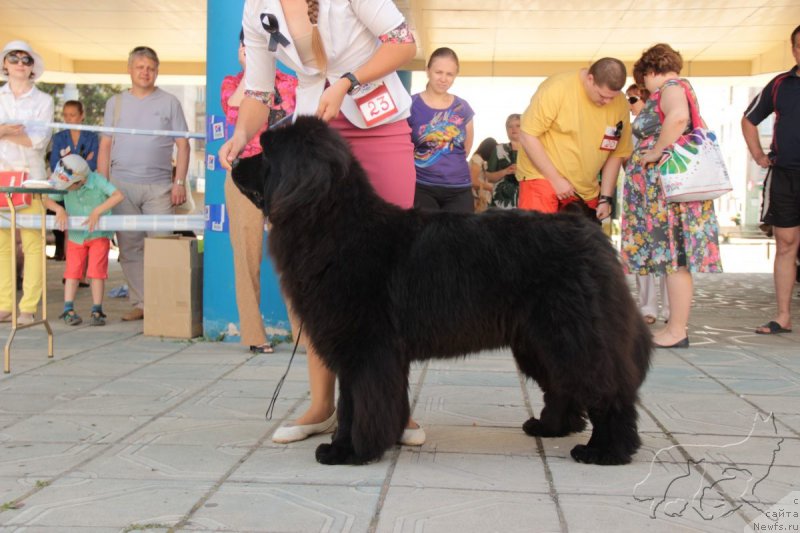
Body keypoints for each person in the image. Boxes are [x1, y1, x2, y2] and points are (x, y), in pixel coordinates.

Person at [220, 0, 423, 445]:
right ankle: (321, 405)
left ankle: (394, 406)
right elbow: (258, 92)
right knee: (316, 273)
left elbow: (404, 43)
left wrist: (349, 81)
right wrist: (241, 135)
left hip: (378, 121)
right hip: (314, 133)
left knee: (388, 275)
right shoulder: (256, 9)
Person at [622, 43, 722, 349]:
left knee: (677, 259)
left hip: (669, 195)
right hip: (668, 194)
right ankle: (676, 328)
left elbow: (678, 117)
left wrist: (655, 151)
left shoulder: (671, 87)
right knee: (674, 260)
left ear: (650, 72)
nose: (646, 90)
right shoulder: (677, 88)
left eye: (644, 82)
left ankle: (677, 329)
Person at [96, 46, 190, 322]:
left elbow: (183, 146)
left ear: (157, 71)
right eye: (140, 67)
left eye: (150, 68)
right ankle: (143, 303)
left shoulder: (170, 102)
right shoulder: (115, 103)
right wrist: (104, 188)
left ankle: (164, 303)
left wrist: (179, 182)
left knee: (162, 245)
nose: (145, 72)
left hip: (160, 187)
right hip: (121, 188)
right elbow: (105, 145)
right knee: (129, 248)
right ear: (130, 70)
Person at [223, 30, 298, 354]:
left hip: (283, 177)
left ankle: (305, 336)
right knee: (246, 256)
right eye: (246, 46)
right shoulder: (231, 83)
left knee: (295, 258)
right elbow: (235, 108)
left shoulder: (291, 84)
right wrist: (251, 73)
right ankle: (254, 334)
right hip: (244, 176)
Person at [516, 57, 632, 221]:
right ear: (590, 79)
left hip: (584, 190)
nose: (607, 102)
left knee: (583, 244)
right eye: (602, 95)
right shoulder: (557, 88)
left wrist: (605, 197)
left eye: (612, 97)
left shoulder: (620, 104)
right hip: (543, 178)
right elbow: (527, 135)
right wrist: (555, 179)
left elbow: (617, 153)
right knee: (539, 242)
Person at [742, 25, 800, 335]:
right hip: (785, 176)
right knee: (786, 244)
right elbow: (749, 120)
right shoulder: (780, 85)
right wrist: (758, 155)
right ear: (794, 50)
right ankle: (782, 316)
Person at [0, 40, 54, 325]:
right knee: (2, 245)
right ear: (5, 64)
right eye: (14, 58)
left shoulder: (44, 101)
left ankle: (28, 307)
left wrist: (3, 132)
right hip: (1, 180)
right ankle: (4, 304)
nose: (20, 63)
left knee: (34, 245)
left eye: (26, 59)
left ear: (33, 68)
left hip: (31, 179)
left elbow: (38, 140)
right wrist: (8, 130)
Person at [43, 155, 124, 326]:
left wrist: (98, 211)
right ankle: (68, 308)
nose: (66, 188)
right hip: (75, 236)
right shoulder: (65, 184)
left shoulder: (98, 181)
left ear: (81, 180)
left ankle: (97, 309)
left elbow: (117, 195)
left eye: (68, 185)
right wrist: (59, 209)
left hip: (98, 234)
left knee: (97, 272)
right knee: (72, 272)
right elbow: (46, 198)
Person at [624, 83, 670, 325]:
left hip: (662, 188)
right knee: (641, 245)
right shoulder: (631, 129)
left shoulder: (667, 124)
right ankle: (647, 307)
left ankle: (670, 308)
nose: (628, 105)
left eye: (632, 99)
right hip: (636, 188)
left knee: (665, 244)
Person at [408, 47, 474, 213]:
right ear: (427, 71)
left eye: (449, 74)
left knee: (460, 238)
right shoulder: (410, 104)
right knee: (425, 237)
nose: (443, 79)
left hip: (459, 188)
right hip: (422, 186)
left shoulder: (462, 107)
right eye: (439, 72)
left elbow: (466, 148)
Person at [49, 100, 99, 262]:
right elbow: (56, 164)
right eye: (66, 115)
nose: (69, 119)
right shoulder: (59, 137)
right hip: (66, 188)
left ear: (82, 115)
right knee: (68, 228)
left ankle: (83, 274)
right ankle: (71, 272)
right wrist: (80, 165)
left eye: (73, 115)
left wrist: (70, 167)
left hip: (87, 188)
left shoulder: (92, 137)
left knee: (88, 228)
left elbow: (94, 162)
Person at [487, 113, 521, 209]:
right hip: (500, 202)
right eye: (510, 126)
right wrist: (505, 171)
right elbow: (489, 177)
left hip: (526, 200)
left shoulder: (533, 150)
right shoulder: (499, 149)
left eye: (518, 126)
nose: (513, 129)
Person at [469, 137, 497, 213]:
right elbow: (473, 180)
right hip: (477, 200)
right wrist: (490, 188)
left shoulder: (479, 160)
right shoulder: (478, 160)